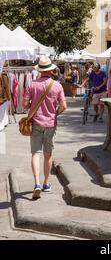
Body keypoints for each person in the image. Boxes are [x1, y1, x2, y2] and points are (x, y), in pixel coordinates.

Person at [23, 56, 67, 200]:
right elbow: (64, 106)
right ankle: (46, 184)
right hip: (50, 124)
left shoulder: (32, 84)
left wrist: (31, 104)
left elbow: (24, 105)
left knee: (35, 153)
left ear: (40, 70)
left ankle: (36, 183)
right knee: (48, 154)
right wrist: (54, 114)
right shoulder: (57, 86)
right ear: (51, 69)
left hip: (35, 123)